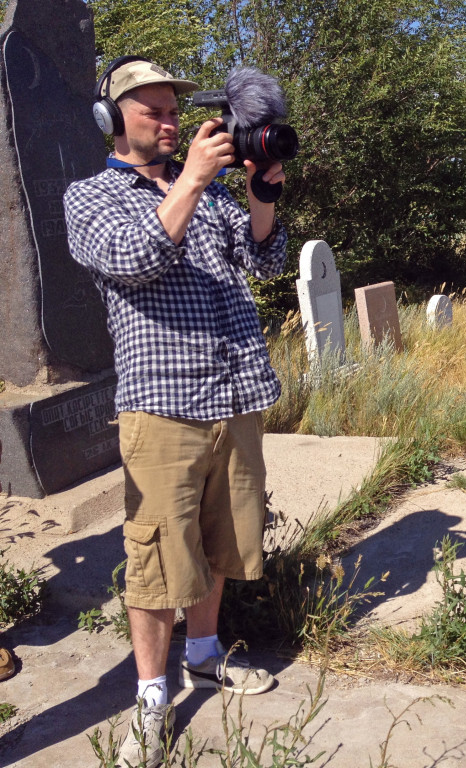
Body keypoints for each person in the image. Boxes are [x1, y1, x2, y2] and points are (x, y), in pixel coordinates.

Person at [64, 57, 287, 767]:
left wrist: (260, 192)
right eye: (151, 111)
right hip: (162, 407)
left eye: (172, 109)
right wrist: (192, 178)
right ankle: (152, 700)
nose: (168, 121)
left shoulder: (214, 194)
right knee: (158, 559)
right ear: (111, 120)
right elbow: (132, 259)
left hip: (235, 395)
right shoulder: (91, 197)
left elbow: (266, 259)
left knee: (221, 541)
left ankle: (203, 652)